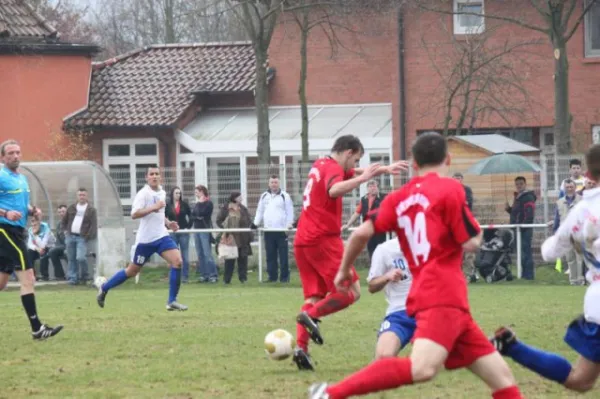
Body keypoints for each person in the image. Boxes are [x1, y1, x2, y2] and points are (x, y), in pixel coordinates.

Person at [309, 132, 522, 399]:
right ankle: (331, 393)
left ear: (414, 164)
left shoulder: (399, 198)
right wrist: (480, 233)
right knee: (422, 368)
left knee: (502, 379)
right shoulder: (451, 189)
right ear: (448, 159)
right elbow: (470, 242)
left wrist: (342, 271)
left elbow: (359, 234)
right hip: (443, 294)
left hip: (437, 297)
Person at [490, 144, 600, 394]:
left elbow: (549, 252)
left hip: (596, 300)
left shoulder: (581, 212)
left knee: (581, 380)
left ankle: (512, 347)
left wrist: (571, 238)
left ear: (588, 176)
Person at [292, 134, 408, 370]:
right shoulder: (333, 168)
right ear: (348, 152)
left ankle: (301, 350)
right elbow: (334, 190)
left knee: (313, 297)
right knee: (351, 292)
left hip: (303, 239)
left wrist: (381, 170)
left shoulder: (322, 164)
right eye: (355, 160)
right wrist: (364, 177)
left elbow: (349, 175)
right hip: (322, 239)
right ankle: (311, 316)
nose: (355, 166)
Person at [96, 166, 187, 311]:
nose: (155, 176)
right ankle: (104, 287)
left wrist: (168, 223)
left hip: (161, 236)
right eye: (152, 174)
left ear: (160, 177)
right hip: (145, 241)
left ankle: (172, 301)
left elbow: (159, 214)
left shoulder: (162, 192)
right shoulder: (143, 194)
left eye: (157, 174)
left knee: (178, 262)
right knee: (132, 271)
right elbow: (134, 214)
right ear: (147, 177)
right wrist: (153, 207)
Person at [0, 139, 63, 339]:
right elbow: (8, 210)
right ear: (3, 157)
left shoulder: (22, 178)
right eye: (10, 153)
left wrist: (33, 210)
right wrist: (5, 213)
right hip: (5, 231)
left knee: (1, 282)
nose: (15, 156)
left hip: (18, 231)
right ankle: (37, 328)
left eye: (18, 152)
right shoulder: (1, 175)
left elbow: (22, 205)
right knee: (28, 278)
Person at [367, 238, 415, 360]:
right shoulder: (384, 250)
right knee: (383, 357)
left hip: (428, 312)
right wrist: (386, 277)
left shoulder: (431, 246)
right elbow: (372, 287)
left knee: (426, 361)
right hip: (399, 314)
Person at [253, 174, 294, 283]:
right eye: (272, 182)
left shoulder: (285, 196)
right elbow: (260, 211)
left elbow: (289, 212)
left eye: (275, 182)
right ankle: (272, 277)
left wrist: (289, 224)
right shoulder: (264, 196)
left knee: (283, 256)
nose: (274, 184)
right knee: (270, 255)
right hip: (268, 230)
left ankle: (284, 277)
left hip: (281, 231)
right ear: (269, 183)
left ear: (279, 183)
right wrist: (255, 223)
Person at [342, 180, 387, 261]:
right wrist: (348, 224)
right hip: (368, 230)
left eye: (374, 186)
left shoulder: (384, 197)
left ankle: (382, 269)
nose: (373, 188)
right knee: (371, 250)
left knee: (381, 250)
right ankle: (373, 270)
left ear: (378, 188)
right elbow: (357, 213)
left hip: (379, 230)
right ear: (367, 189)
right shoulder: (364, 199)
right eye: (370, 186)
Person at [216, 192, 253, 285]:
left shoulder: (243, 209)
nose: (241, 198)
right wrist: (225, 228)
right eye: (239, 197)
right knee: (229, 260)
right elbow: (219, 220)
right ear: (235, 198)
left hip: (242, 237)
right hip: (230, 238)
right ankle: (227, 280)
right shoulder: (226, 208)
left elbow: (248, 220)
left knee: (243, 259)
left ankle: (243, 278)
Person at [63, 188, 97, 285]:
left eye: (83, 195)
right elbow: (64, 221)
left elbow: (93, 225)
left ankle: (85, 276)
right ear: (77, 196)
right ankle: (73, 278)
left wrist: (87, 236)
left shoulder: (91, 210)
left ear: (87, 196)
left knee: (80, 258)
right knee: (71, 258)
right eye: (80, 195)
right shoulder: (71, 208)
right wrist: (65, 231)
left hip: (82, 237)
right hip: (70, 236)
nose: (81, 197)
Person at [504, 176, 536, 280]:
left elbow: (529, 215)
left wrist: (522, 226)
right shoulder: (518, 197)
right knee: (521, 252)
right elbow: (516, 213)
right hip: (517, 229)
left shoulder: (528, 197)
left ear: (525, 184)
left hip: (524, 229)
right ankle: (523, 274)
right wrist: (509, 209)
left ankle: (529, 275)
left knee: (525, 252)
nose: (519, 186)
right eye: (517, 184)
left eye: (521, 184)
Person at [552, 179, 583, 284]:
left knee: (580, 258)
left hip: (578, 234)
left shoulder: (582, 200)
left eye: (571, 187)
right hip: (565, 234)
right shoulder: (559, 202)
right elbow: (557, 218)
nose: (569, 189)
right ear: (564, 188)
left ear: (575, 188)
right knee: (570, 258)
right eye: (567, 187)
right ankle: (573, 280)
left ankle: (581, 279)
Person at [192, 185, 218, 283]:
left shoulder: (208, 203)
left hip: (204, 230)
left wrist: (198, 215)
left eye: (197, 191)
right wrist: (197, 216)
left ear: (202, 191)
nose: (196, 193)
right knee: (200, 254)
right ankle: (204, 275)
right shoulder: (197, 203)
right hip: (196, 230)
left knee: (207, 254)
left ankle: (213, 275)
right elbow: (193, 216)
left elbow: (202, 213)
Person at [165, 186, 192, 283]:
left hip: (183, 232)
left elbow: (191, 215)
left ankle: (185, 277)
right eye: (176, 193)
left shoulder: (184, 204)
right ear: (172, 194)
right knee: (173, 256)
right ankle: (174, 277)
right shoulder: (168, 205)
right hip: (172, 233)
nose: (178, 195)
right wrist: (167, 228)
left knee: (185, 255)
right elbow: (163, 217)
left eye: (179, 193)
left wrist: (188, 227)